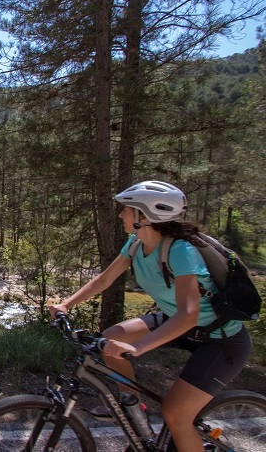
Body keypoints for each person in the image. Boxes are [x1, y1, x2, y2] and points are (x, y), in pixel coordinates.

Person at [48, 180, 252, 452]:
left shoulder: (181, 251)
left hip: (219, 339)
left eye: (127, 210)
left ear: (144, 216)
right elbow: (105, 279)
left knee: (176, 416)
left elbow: (189, 314)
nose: (121, 214)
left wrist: (138, 347)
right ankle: (133, 406)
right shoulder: (136, 243)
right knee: (110, 339)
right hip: (178, 323)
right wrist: (67, 304)